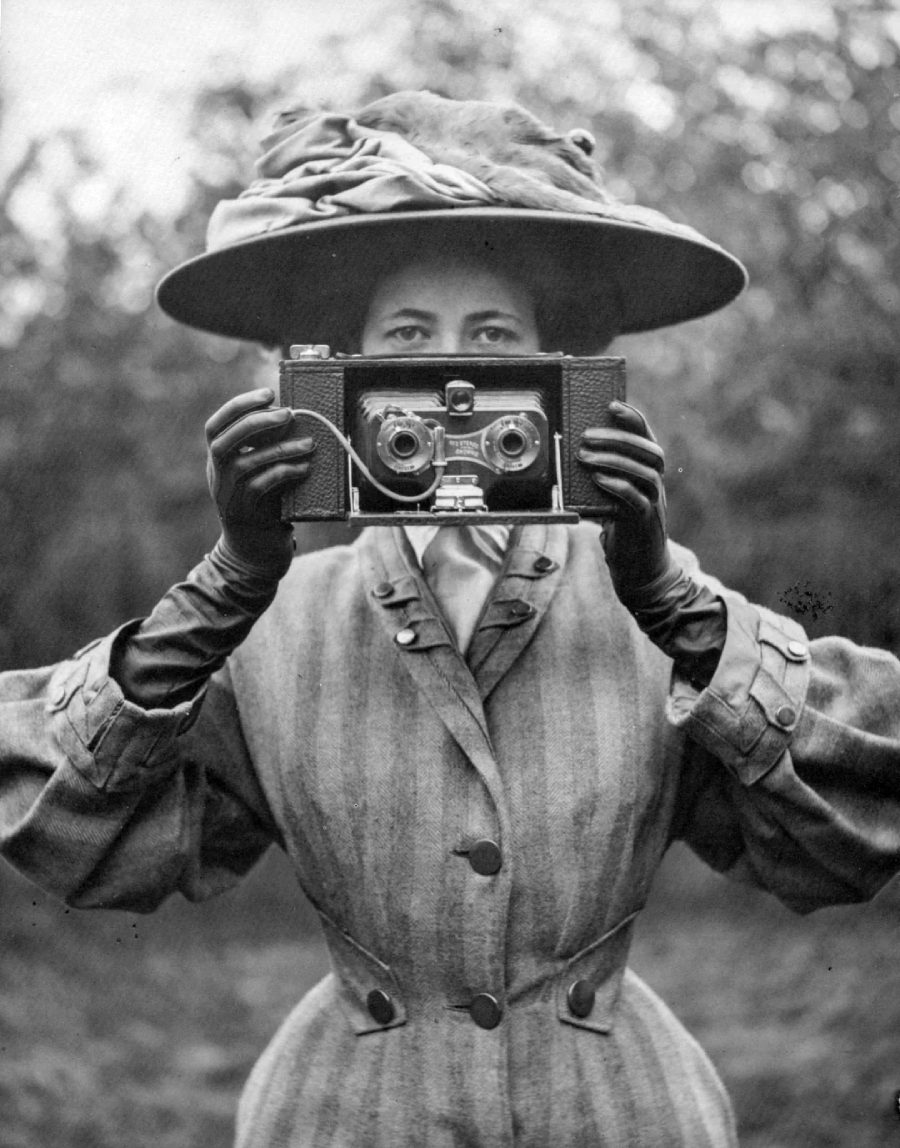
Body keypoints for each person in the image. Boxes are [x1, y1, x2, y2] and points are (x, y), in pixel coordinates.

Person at [3, 89, 900, 1148]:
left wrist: (669, 598)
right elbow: (61, 827)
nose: (455, 377)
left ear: (555, 371)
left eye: (491, 336)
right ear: (342, 373)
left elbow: (857, 819)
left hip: (618, 1115)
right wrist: (231, 579)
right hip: (346, 1115)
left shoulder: (655, 599)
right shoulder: (276, 617)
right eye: (410, 336)